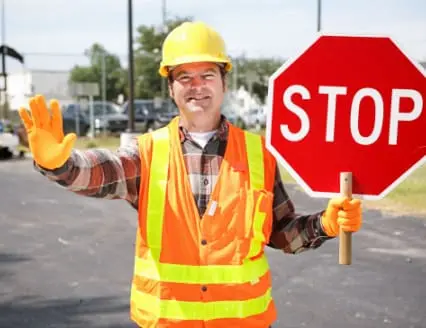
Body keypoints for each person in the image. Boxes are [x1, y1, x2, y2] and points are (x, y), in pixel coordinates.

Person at [18, 21, 362, 328]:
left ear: (223, 83)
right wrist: (59, 164)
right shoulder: (147, 152)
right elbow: (101, 171)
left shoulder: (260, 154)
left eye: (207, 75)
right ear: (171, 88)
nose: (197, 86)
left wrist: (326, 224)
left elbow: (282, 233)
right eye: (184, 77)